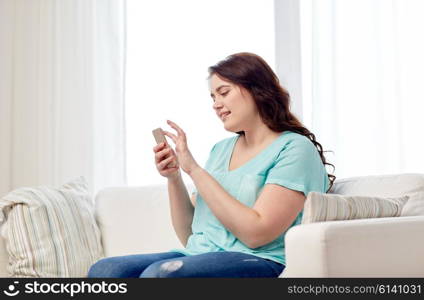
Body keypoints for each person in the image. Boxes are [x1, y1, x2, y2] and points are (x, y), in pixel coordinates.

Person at [87, 52, 335, 278]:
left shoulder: (294, 149)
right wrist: (174, 177)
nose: (215, 104)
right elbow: (190, 235)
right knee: (105, 271)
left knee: (161, 276)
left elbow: (257, 233)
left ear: (257, 90)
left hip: (261, 261)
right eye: (213, 96)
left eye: (224, 92)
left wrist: (194, 169)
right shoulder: (221, 150)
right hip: (200, 256)